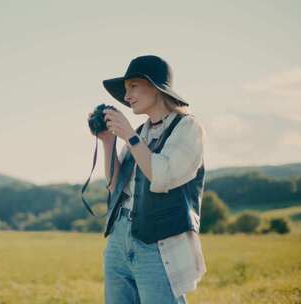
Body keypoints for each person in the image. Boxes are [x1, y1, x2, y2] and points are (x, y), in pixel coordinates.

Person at [89, 55, 207, 303]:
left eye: (132, 85)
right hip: (119, 237)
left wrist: (130, 136)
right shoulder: (141, 132)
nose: (126, 95)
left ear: (155, 86)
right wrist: (109, 142)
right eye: (125, 89)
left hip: (158, 242)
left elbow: (162, 176)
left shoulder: (188, 127)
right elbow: (115, 186)